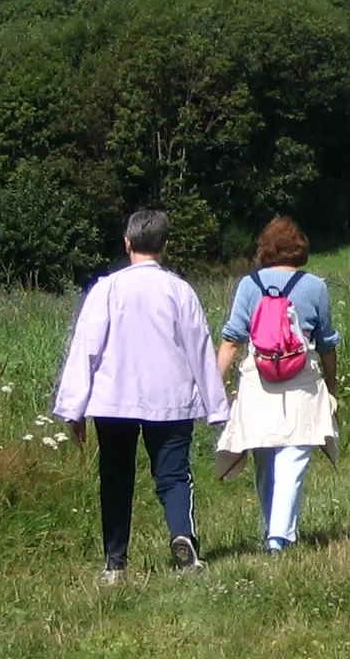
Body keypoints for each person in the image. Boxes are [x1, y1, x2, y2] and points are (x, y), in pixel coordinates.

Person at [52, 209, 228, 585]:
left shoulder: (106, 289)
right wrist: (216, 408)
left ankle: (115, 562)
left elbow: (86, 348)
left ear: (127, 243)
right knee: (174, 475)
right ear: (164, 246)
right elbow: (199, 348)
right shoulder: (179, 290)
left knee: (116, 477)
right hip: (171, 397)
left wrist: (73, 409)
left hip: (114, 399)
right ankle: (183, 535)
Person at [214, 217, 341, 553]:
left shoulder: (249, 285)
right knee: (294, 456)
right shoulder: (315, 286)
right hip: (302, 378)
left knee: (265, 455)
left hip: (259, 379)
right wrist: (331, 386)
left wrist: (215, 386)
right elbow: (327, 342)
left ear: (265, 249)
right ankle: (278, 536)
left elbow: (231, 339)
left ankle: (276, 528)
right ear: (300, 249)